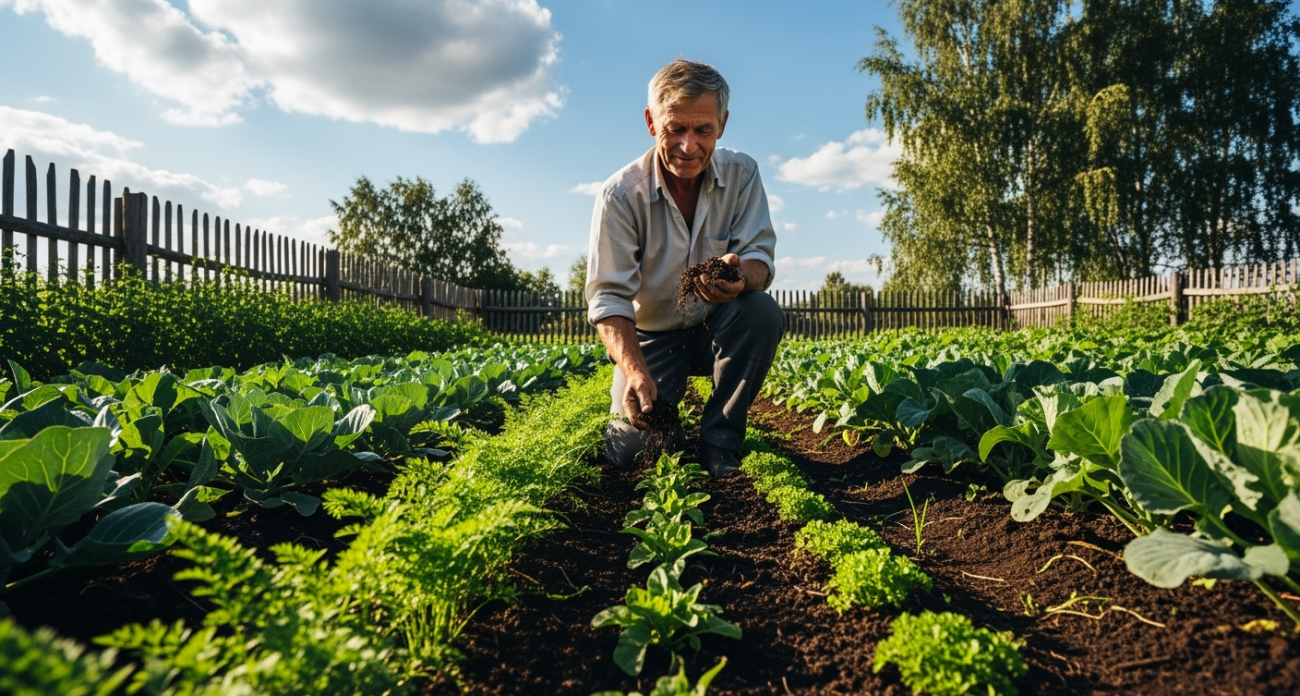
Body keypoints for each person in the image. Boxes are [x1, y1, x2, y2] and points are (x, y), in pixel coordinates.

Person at [584, 58, 786, 477]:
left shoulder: (742, 174)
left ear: (722, 125)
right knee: (631, 451)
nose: (688, 146)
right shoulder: (621, 195)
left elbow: (761, 260)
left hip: (717, 327)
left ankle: (721, 442)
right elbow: (608, 297)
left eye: (703, 130)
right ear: (651, 122)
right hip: (652, 337)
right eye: (675, 128)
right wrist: (635, 372)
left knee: (761, 312)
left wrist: (740, 276)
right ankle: (668, 424)